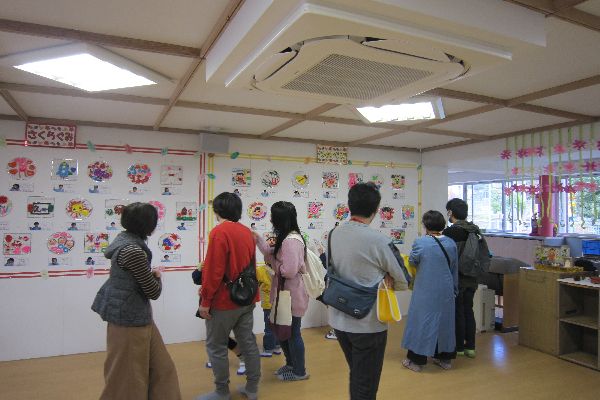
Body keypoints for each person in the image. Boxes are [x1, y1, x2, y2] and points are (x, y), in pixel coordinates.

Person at [91, 202, 181, 399]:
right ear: (148, 225)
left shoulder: (124, 241)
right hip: (129, 319)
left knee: (162, 369)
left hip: (137, 317)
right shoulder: (133, 251)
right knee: (128, 379)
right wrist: (157, 276)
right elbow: (153, 291)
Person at [328, 182, 410, 400]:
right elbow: (403, 280)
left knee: (357, 374)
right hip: (367, 322)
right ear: (376, 209)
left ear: (349, 205)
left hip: (339, 318)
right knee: (366, 384)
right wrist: (386, 279)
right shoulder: (380, 241)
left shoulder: (334, 234)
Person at [197, 192, 260, 400]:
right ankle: (252, 388)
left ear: (217, 210)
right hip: (246, 298)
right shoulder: (247, 232)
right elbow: (251, 267)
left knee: (216, 345)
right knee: (248, 342)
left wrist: (205, 300)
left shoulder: (219, 232)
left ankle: (222, 391)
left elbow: (213, 271)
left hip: (223, 301)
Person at [254, 201, 309, 382]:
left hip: (291, 296)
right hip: (284, 295)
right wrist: (258, 239)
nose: (270, 219)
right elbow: (271, 253)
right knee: (282, 332)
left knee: (292, 334)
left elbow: (289, 271)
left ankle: (299, 371)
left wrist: (273, 263)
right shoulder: (286, 238)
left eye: (273, 216)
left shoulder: (291, 241)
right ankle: (291, 364)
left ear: (281, 219)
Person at [402, 210, 458, 372]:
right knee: (445, 322)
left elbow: (413, 261)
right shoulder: (451, 243)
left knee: (422, 321)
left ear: (425, 225)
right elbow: (454, 268)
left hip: (426, 288)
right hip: (446, 287)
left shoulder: (421, 243)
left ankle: (416, 361)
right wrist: (454, 289)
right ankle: (444, 359)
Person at [444, 198, 483, 358]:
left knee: (457, 311)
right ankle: (470, 347)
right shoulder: (475, 231)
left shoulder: (450, 232)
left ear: (450, 212)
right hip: (472, 278)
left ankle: (459, 347)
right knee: (468, 309)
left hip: (457, 277)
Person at [255, 241, 282, 358]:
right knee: (278, 325)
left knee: (269, 327)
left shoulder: (261, 270)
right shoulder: (281, 269)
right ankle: (277, 347)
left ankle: (268, 349)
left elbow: (255, 284)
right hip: (280, 302)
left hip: (268, 303)